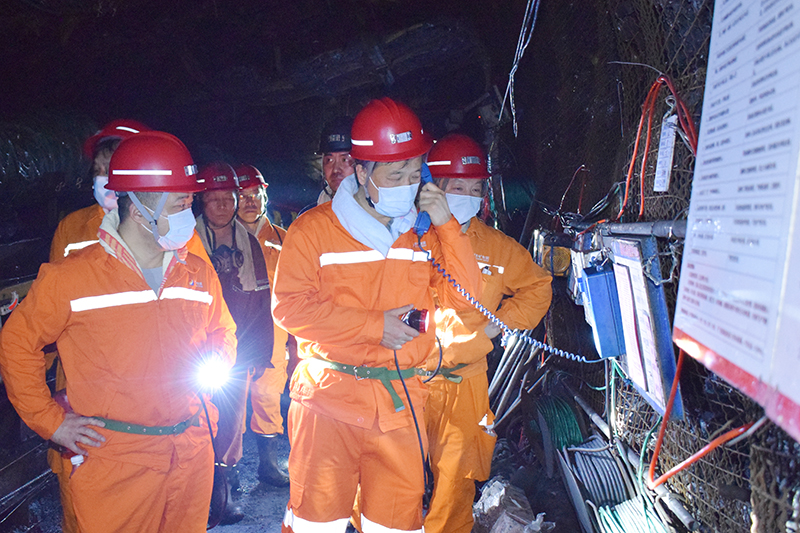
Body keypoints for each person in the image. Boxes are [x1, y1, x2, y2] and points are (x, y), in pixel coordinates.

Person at [0, 131, 237, 533]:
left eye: (188, 201)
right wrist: (51, 422)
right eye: (181, 202)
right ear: (141, 207)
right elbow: (16, 344)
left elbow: (223, 333)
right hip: (116, 460)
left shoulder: (196, 271)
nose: (189, 210)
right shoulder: (72, 278)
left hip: (190, 451)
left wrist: (210, 383)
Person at [272, 97, 482, 533]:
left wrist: (447, 226)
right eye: (395, 175)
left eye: (414, 172)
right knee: (317, 524)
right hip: (328, 402)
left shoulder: (422, 232)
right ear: (363, 171)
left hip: (400, 403)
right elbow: (289, 307)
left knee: (398, 526)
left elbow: (464, 300)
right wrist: (373, 326)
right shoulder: (313, 229)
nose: (407, 185)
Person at [421, 133, 552, 533]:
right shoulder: (408, 237)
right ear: (433, 189)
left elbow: (538, 286)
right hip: (405, 379)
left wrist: (499, 321)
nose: (465, 195)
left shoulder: (497, 248)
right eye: (455, 187)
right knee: (393, 476)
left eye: (474, 188)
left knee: (455, 484)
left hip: (466, 383)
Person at [195, 162, 278, 523]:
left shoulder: (252, 246)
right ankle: (196, 495)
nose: (223, 206)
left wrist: (260, 354)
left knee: (229, 425)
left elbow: (262, 303)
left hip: (240, 351)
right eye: (213, 200)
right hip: (196, 350)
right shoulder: (188, 243)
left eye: (227, 198)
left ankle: (222, 494)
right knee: (197, 424)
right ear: (202, 202)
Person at [234, 164, 291, 486]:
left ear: (264, 195)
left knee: (268, 399)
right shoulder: (218, 240)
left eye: (255, 194)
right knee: (227, 403)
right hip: (233, 335)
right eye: (242, 196)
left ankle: (268, 466)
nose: (250, 202)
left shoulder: (284, 240)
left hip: (273, 337)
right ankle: (225, 474)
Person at [316, 117, 355, 205]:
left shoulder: (376, 209)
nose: (336, 170)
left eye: (344, 160)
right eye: (329, 160)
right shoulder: (322, 203)